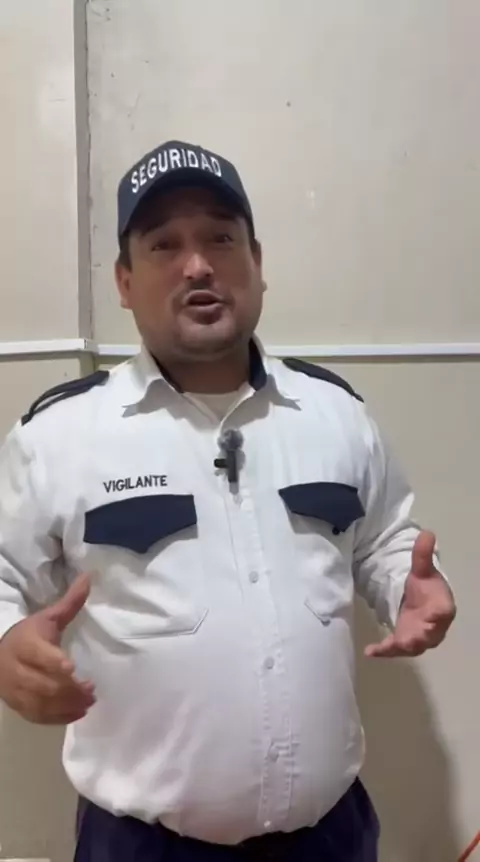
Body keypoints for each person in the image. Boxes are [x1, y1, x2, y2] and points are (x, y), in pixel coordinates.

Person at [0, 139, 455, 862]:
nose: (198, 265)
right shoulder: (59, 434)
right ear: (124, 280)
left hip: (331, 836)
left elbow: (384, 538)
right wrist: (5, 647)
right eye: (164, 244)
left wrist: (408, 586)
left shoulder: (335, 413)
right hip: (140, 846)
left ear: (257, 262)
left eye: (220, 238)